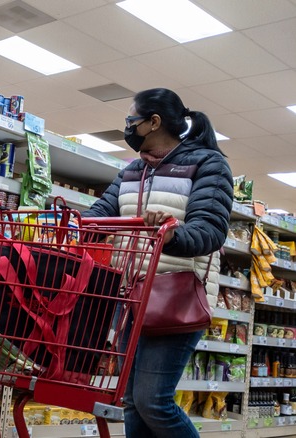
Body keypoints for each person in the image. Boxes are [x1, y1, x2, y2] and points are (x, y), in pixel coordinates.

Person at [84, 88, 233, 437]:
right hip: (130, 295)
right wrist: (67, 221)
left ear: (153, 122)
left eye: (130, 120)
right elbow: (100, 213)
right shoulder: (133, 171)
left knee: (154, 400)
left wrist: (172, 234)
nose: (127, 127)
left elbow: (210, 230)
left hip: (175, 295)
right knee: (132, 401)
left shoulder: (208, 164)